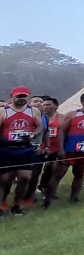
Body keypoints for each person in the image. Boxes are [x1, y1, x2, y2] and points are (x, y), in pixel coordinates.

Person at [44, 92, 84, 208]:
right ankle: (47, 200)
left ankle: (74, 197)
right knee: (58, 175)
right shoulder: (72, 114)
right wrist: (61, 149)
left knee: (79, 174)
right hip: (69, 150)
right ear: (83, 101)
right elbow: (61, 132)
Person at [0, 86, 44, 216]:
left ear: (28, 97)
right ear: (12, 96)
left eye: (24, 96)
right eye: (18, 96)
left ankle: (17, 205)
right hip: (6, 149)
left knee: (25, 178)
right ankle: (1, 205)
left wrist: (32, 135)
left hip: (25, 148)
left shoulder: (34, 111)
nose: (21, 99)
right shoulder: (3, 111)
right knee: (4, 179)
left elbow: (40, 127)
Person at [37, 97, 61, 197]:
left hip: (55, 148)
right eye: (44, 105)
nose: (46, 107)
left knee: (52, 168)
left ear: (55, 106)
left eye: (48, 105)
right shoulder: (38, 117)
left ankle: (45, 187)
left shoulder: (62, 118)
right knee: (36, 171)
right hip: (40, 148)